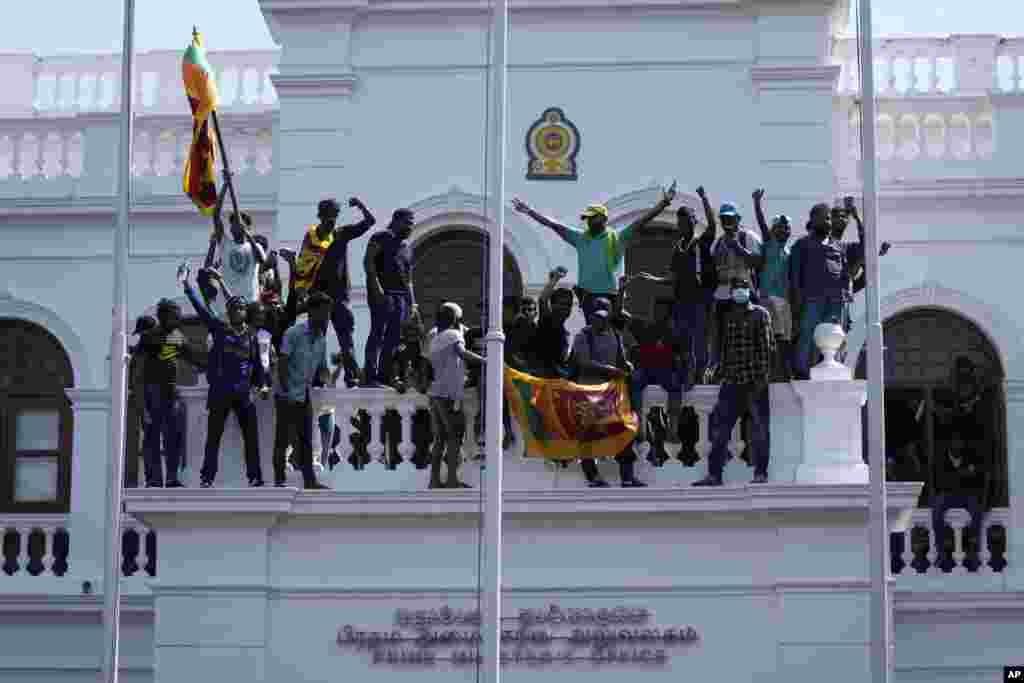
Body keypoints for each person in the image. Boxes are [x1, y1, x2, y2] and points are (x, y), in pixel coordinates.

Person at [511, 181, 676, 323]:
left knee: (611, 332)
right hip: (588, 296)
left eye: (592, 218)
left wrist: (663, 204)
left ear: (603, 218)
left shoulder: (617, 237)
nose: (588, 221)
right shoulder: (581, 238)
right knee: (594, 330)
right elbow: (553, 225)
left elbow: (642, 221)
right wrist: (529, 212)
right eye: (587, 218)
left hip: (611, 295)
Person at [180, 264, 267, 488]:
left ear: (245, 312)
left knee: (252, 437)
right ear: (229, 312)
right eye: (233, 308)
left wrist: (262, 385)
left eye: (240, 308)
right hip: (220, 392)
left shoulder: (251, 336)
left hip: (244, 394)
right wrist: (187, 286)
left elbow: (256, 364)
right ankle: (207, 477)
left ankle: (255, 476)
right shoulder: (219, 328)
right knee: (213, 437)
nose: (237, 311)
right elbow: (201, 309)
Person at [694, 277, 774, 486]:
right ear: (731, 292)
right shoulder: (727, 316)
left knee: (759, 429)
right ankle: (714, 475)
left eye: (743, 288)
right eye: (736, 288)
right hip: (731, 381)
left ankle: (760, 473)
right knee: (719, 429)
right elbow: (725, 348)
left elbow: (766, 349)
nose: (739, 291)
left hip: (754, 381)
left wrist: (762, 378)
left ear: (749, 290)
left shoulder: (760, 314)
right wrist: (718, 369)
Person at [633, 203, 716, 390]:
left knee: (700, 341)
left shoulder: (700, 242)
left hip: (699, 301)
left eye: (686, 222)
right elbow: (671, 278)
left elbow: (712, 226)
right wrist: (652, 279)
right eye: (680, 223)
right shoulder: (677, 249)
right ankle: (687, 376)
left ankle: (701, 377)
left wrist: (703, 199)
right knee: (683, 342)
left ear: (694, 222)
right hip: (681, 302)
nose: (683, 226)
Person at [571, 297, 646, 488]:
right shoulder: (583, 336)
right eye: (597, 317)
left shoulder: (615, 334)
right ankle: (593, 477)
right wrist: (610, 370)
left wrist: (626, 365)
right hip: (589, 392)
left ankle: (627, 477)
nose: (600, 320)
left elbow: (621, 359)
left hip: (611, 392)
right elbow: (584, 363)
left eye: (604, 316)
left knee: (624, 431)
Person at [788, 203, 863, 379]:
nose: (829, 221)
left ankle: (832, 371)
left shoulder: (839, 246)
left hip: (836, 301)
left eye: (829, 218)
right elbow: (795, 277)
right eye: (825, 217)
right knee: (808, 335)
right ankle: (802, 372)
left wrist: (857, 218)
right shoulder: (802, 245)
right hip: (812, 299)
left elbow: (865, 244)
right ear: (813, 220)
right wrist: (797, 304)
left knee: (835, 337)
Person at [311, 197, 377, 388]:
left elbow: (369, 222)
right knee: (317, 339)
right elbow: (304, 265)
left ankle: (352, 377)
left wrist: (361, 206)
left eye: (335, 214)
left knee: (346, 340)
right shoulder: (312, 237)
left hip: (339, 296)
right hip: (319, 296)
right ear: (321, 215)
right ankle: (318, 377)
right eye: (329, 214)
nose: (332, 217)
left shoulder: (342, 233)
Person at [273, 291, 334, 489]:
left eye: (328, 313)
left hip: (304, 394)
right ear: (312, 312)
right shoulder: (294, 333)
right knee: (282, 439)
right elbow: (282, 362)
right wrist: (286, 391)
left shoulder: (322, 340)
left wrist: (330, 376)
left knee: (306, 439)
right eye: (324, 312)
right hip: (286, 393)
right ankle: (279, 480)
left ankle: (310, 481)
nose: (326, 317)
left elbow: (322, 369)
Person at [702, 187, 763, 381]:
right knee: (721, 336)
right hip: (722, 295)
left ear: (738, 218)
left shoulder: (748, 237)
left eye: (730, 218)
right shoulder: (718, 243)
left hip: (744, 294)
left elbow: (757, 263)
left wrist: (737, 247)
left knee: (746, 336)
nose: (727, 221)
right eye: (724, 218)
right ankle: (720, 369)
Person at [136, 298, 194, 488]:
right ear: (163, 316)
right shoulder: (149, 337)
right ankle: (153, 480)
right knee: (152, 438)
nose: (177, 321)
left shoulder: (176, 336)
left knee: (174, 438)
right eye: (174, 317)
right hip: (152, 392)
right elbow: (138, 371)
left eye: (179, 317)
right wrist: (141, 403)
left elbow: (196, 358)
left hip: (172, 392)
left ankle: (171, 478)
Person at [427, 302, 485, 489]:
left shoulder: (435, 337)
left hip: (435, 393)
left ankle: (434, 480)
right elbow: (462, 353)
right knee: (455, 435)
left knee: (439, 439)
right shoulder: (453, 335)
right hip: (448, 394)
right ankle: (452, 479)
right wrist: (487, 360)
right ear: (455, 320)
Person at [363, 208, 418, 388]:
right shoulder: (380, 237)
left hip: (401, 298)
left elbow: (408, 280)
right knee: (377, 334)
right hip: (382, 294)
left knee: (393, 338)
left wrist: (413, 304)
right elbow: (368, 262)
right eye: (408, 223)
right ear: (396, 220)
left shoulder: (406, 248)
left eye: (412, 224)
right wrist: (376, 288)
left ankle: (384, 376)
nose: (411, 227)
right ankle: (369, 377)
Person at [204, 180, 266, 317]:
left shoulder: (255, 247)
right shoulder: (225, 244)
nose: (234, 227)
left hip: (250, 304)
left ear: (247, 227)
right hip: (229, 303)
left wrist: (248, 236)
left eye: (239, 224)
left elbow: (262, 261)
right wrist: (225, 186)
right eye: (232, 224)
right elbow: (215, 215)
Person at [751, 188, 794, 380]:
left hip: (784, 300)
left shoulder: (789, 252)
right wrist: (757, 203)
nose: (784, 230)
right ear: (773, 230)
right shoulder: (770, 244)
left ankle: (782, 371)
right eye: (780, 227)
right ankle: (771, 372)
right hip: (768, 297)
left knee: (784, 338)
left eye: (786, 228)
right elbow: (761, 223)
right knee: (772, 337)